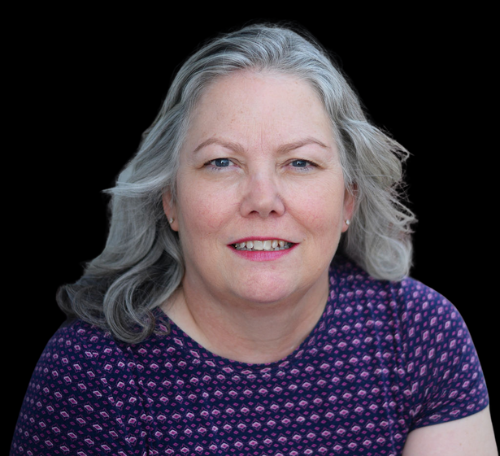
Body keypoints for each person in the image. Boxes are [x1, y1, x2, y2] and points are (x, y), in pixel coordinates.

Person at [11, 23, 496, 456]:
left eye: (300, 162)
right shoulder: (92, 375)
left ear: (348, 201)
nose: (263, 199)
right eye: (222, 162)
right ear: (171, 201)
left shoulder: (417, 333)